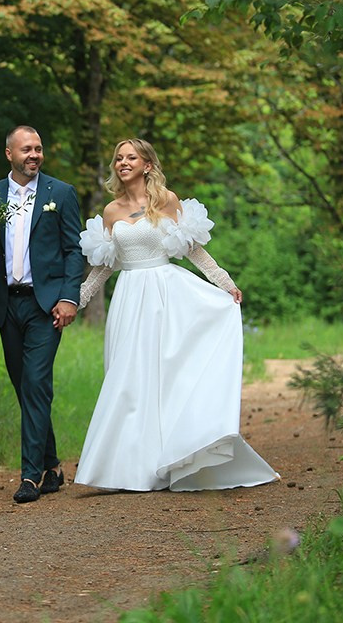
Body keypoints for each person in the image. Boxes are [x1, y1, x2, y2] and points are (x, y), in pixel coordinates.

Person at [74, 138, 278, 492]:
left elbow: (193, 249)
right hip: (129, 298)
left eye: (131, 157)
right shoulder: (110, 211)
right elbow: (105, 266)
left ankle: (172, 457)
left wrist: (224, 282)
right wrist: (77, 299)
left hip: (166, 296)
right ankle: (128, 468)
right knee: (128, 380)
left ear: (147, 165)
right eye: (119, 158)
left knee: (165, 378)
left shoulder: (167, 201)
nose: (123, 163)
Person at [0, 125, 84, 503]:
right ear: (9, 154)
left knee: (36, 384)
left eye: (38, 148)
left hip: (45, 304)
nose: (34, 155)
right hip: (8, 304)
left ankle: (30, 476)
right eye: (26, 149)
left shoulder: (61, 193)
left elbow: (73, 250)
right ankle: (52, 465)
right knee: (25, 387)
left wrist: (69, 298)